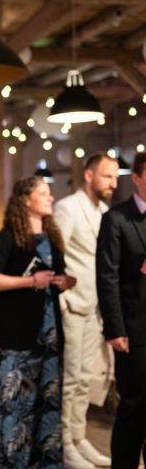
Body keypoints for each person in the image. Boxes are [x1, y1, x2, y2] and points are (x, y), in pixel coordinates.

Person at [0, 176, 75, 468]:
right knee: (14, 406)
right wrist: (30, 281)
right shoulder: (10, 235)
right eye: (43, 193)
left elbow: (61, 275)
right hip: (18, 335)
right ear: (25, 200)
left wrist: (65, 281)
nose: (50, 198)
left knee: (46, 405)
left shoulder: (52, 237)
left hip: (49, 334)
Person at [54, 153, 118, 469]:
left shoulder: (104, 211)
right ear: (90, 175)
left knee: (86, 379)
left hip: (95, 307)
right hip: (73, 305)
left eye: (117, 178)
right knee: (70, 378)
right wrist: (61, 303)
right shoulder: (67, 207)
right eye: (108, 177)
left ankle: (79, 438)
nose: (114, 184)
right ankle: (64, 444)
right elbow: (55, 253)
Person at [96, 152, 146, 468]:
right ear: (138, 178)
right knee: (134, 406)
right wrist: (115, 329)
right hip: (133, 327)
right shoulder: (116, 218)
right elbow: (107, 277)